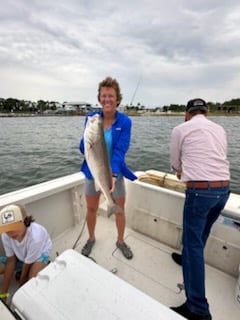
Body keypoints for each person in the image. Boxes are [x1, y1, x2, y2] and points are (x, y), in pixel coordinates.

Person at [170, 98, 230, 320]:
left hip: (200, 192)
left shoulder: (180, 129)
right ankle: (187, 259)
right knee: (200, 236)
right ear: (206, 112)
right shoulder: (219, 129)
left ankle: (197, 308)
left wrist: (180, 170)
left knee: (193, 244)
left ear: (187, 114)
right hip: (223, 191)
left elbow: (176, 164)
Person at [79, 76, 136, 260]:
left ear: (117, 98)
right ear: (99, 98)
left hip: (115, 173)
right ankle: (91, 238)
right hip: (92, 173)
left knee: (119, 208)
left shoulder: (125, 122)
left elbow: (120, 150)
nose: (107, 100)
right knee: (91, 208)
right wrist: (85, 140)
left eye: (111, 96)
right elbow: (83, 149)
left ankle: (120, 241)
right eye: (103, 96)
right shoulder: (91, 119)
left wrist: (113, 174)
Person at [0, 204, 52, 300]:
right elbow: (10, 261)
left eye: (14, 227)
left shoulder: (36, 236)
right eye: (7, 229)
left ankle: (44, 264)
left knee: (31, 284)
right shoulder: (5, 235)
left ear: (25, 221)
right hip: (21, 256)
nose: (10, 233)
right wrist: (3, 293)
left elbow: (28, 264)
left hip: (38, 255)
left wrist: (21, 287)